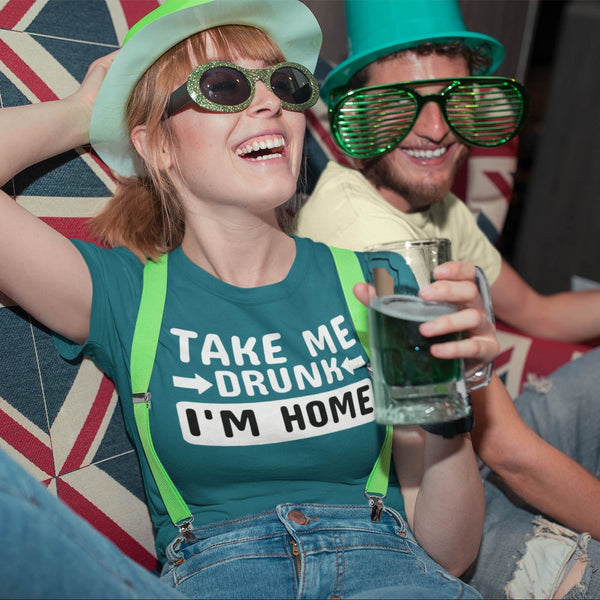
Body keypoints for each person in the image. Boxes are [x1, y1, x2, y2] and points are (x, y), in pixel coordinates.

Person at [0, 0, 499, 597]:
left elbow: (451, 554)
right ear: (157, 145)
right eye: (224, 86)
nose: (271, 103)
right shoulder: (123, 292)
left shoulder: (386, 281)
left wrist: (448, 416)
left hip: (386, 575)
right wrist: (84, 114)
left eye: (285, 84)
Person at [295, 0, 600, 598]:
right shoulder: (369, 235)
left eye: (450, 101)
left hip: (483, 439)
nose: (435, 129)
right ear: (359, 116)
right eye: (398, 105)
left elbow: (537, 311)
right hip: (412, 505)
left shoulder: (439, 208)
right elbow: (506, 452)